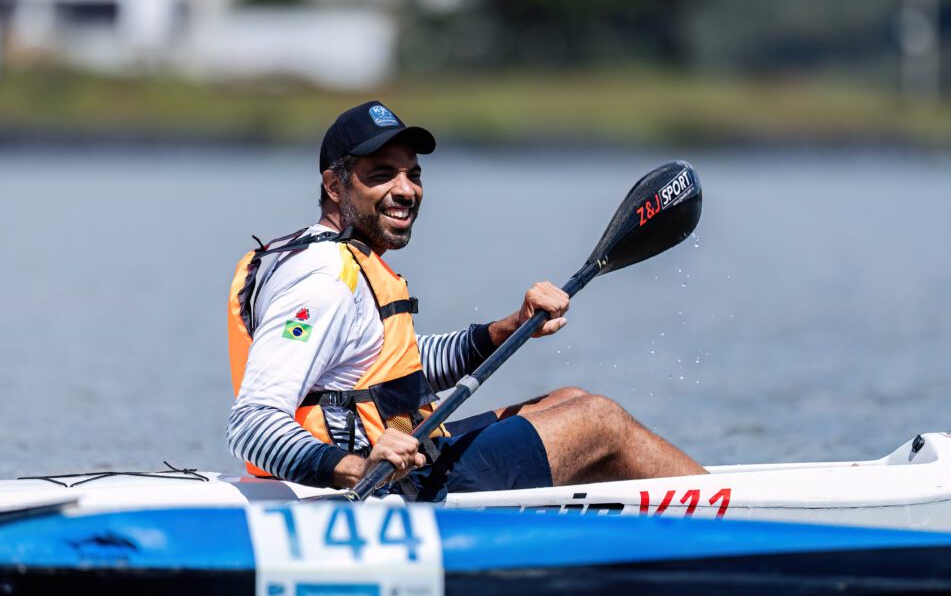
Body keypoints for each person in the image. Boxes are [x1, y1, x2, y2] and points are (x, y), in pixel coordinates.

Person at [226, 100, 705, 500]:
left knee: (569, 400)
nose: (406, 190)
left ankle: (650, 513)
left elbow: (388, 365)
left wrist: (507, 328)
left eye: (413, 175)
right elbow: (251, 422)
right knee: (599, 422)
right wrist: (354, 468)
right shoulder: (323, 281)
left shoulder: (340, 257)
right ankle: (732, 517)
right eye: (382, 175)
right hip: (379, 484)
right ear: (335, 185)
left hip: (400, 458)